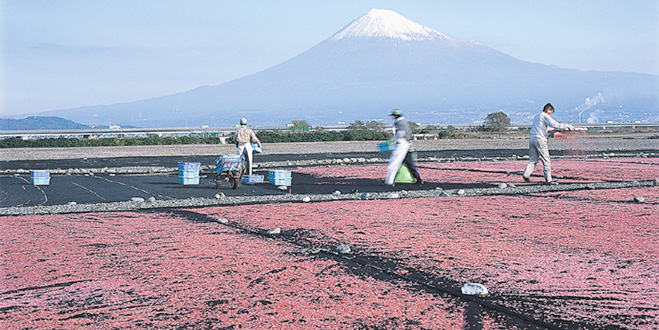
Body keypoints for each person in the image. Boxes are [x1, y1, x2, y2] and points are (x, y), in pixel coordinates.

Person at [522, 103, 574, 184]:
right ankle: (548, 179)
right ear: (548, 110)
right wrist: (567, 126)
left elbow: (547, 128)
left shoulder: (537, 116)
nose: (550, 114)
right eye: (551, 112)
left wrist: (556, 130)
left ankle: (526, 174)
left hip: (532, 138)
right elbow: (555, 124)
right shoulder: (545, 116)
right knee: (546, 160)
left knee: (533, 159)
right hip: (540, 139)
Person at [385, 109, 423, 186]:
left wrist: (392, 140)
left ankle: (391, 181)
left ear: (396, 116)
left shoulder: (400, 123)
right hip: (408, 147)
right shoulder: (403, 122)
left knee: (396, 163)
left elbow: (401, 134)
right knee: (409, 164)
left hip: (404, 147)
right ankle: (419, 180)